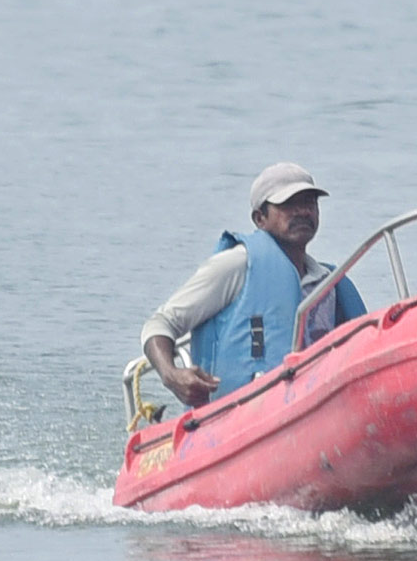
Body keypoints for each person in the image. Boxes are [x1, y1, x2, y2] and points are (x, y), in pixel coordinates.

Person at [141, 162, 366, 407]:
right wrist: (172, 375)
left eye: (309, 202)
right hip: (238, 418)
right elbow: (160, 323)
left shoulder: (328, 282)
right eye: (288, 204)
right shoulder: (237, 264)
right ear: (260, 218)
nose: (302, 212)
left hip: (315, 408)